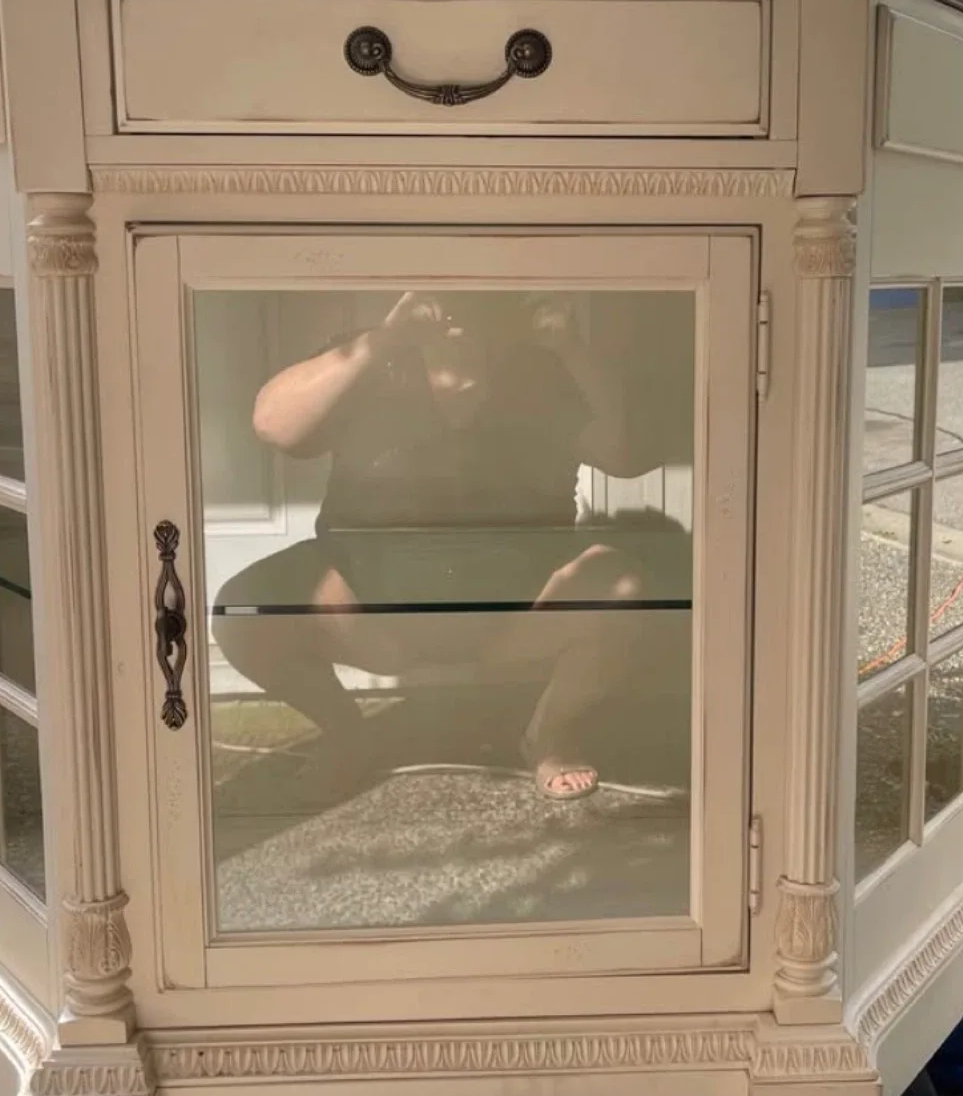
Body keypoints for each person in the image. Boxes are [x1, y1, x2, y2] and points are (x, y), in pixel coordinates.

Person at [212, 289, 662, 803]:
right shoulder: (374, 356)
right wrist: (385, 338)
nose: (461, 307)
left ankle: (549, 736)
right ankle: (347, 734)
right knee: (242, 612)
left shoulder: (543, 368)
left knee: (624, 589)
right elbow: (274, 425)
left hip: (517, 616)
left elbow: (630, 455)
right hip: (371, 615)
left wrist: (572, 349)